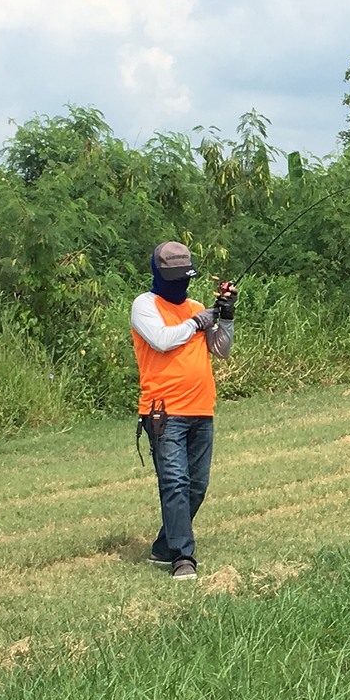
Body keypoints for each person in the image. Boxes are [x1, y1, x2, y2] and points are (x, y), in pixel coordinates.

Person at [131, 241, 237, 580]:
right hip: (164, 412)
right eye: (175, 278)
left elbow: (221, 350)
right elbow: (162, 339)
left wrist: (225, 315)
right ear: (159, 274)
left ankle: (164, 547)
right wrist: (197, 322)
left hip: (201, 408)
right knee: (174, 482)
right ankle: (182, 558)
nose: (181, 286)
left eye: (184, 278)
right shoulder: (145, 305)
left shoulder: (195, 306)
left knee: (196, 485)